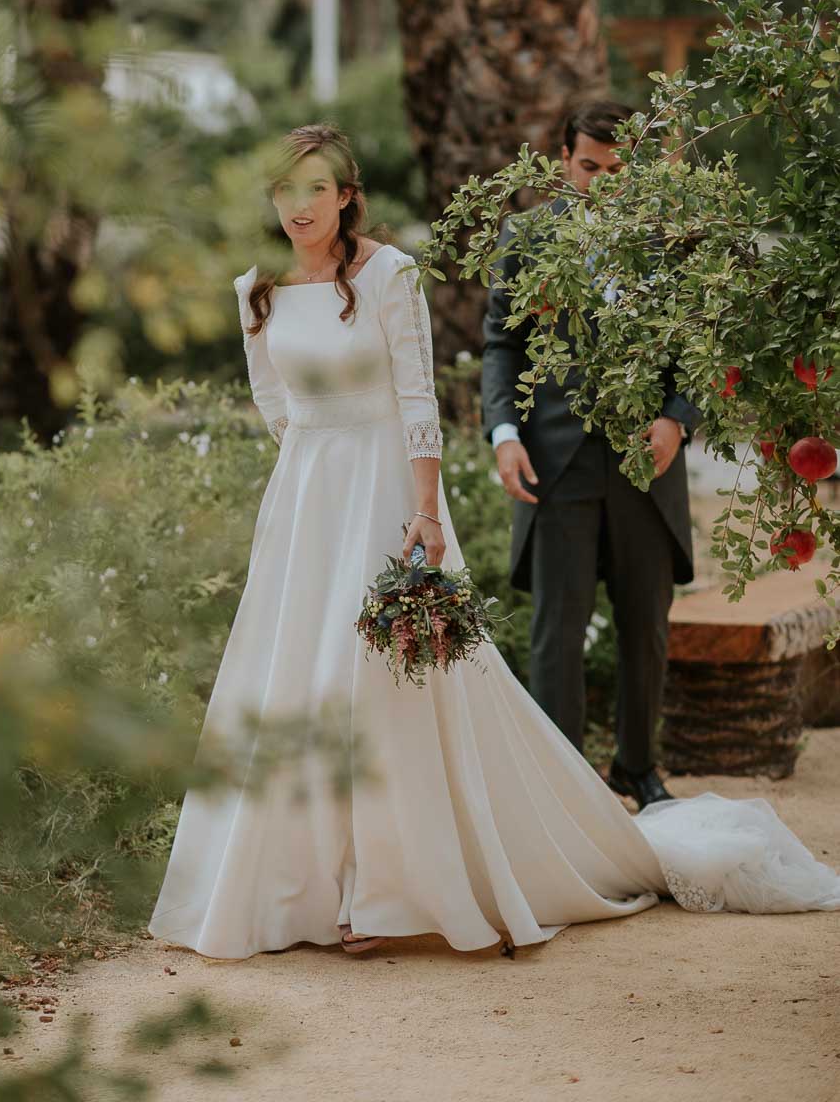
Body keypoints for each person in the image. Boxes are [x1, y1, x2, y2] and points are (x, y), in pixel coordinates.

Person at [148, 124, 840, 961]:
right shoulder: (253, 288)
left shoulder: (391, 275)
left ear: (344, 194)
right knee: (297, 685)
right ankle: (306, 886)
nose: (298, 207)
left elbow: (416, 403)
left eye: (315, 190)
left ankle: (379, 891)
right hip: (304, 508)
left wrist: (425, 513)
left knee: (378, 686)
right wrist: (307, 476)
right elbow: (271, 404)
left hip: (384, 500)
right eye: (284, 191)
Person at [481, 100, 699, 810]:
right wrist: (503, 434)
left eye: (616, 168)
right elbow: (501, 346)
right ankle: (560, 787)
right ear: (562, 159)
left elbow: (700, 345)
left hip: (646, 465)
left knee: (646, 628)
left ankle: (636, 769)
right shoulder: (527, 234)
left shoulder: (673, 238)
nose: (602, 181)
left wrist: (676, 420)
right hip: (553, 464)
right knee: (556, 632)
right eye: (587, 166)